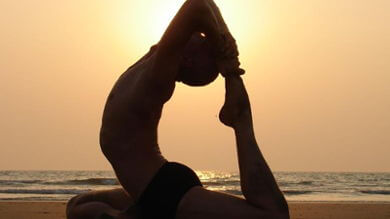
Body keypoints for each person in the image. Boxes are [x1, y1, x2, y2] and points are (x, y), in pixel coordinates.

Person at [66, 0, 289, 218]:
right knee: (77, 205)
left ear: (187, 60)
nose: (203, 35)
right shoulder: (153, 57)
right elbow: (208, 4)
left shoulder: (158, 76)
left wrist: (227, 61)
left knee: (273, 215)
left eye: (205, 44)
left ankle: (241, 121)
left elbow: (197, 6)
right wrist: (225, 37)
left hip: (163, 191)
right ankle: (132, 214)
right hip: (155, 185)